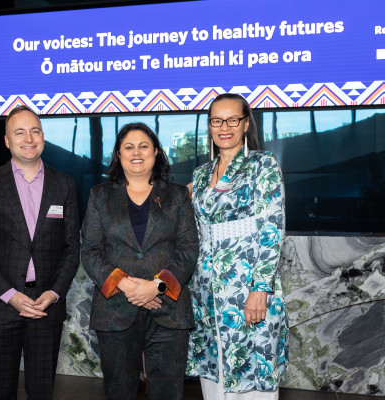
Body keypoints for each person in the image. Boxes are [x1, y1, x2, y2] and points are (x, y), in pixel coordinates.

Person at [81, 123, 199, 400]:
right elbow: (90, 250)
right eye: (129, 147)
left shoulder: (178, 195)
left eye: (144, 146)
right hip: (115, 310)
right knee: (119, 391)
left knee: (167, 392)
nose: (137, 152)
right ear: (118, 155)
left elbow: (188, 249)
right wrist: (126, 286)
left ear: (156, 152)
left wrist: (156, 287)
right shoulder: (99, 196)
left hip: (168, 308)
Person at [186, 93, 288, 399]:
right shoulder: (201, 174)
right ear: (210, 126)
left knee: (252, 375)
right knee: (214, 378)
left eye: (233, 119)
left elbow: (272, 229)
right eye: (217, 120)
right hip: (205, 294)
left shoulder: (262, 164)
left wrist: (261, 288)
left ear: (246, 124)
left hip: (247, 290)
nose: (224, 127)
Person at [0, 105, 80, 400]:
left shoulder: (63, 184)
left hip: (45, 306)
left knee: (41, 391)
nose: (29, 138)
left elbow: (72, 249)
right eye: (19, 132)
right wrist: (10, 294)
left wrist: (53, 293)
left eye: (35, 131)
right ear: (7, 141)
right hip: (1, 306)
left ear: (43, 137)